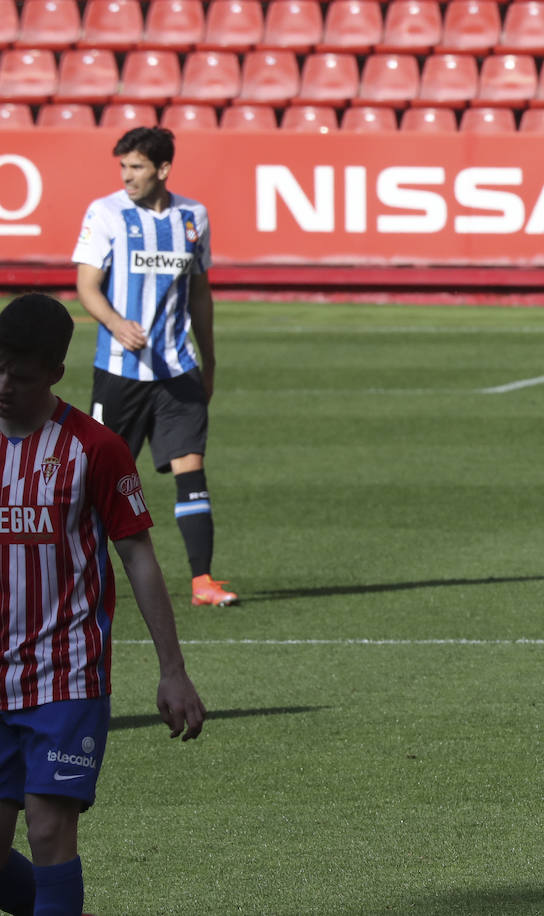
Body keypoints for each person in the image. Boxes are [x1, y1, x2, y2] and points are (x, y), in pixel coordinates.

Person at [0, 293, 206, 916]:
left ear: (56, 373)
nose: (5, 384)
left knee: (47, 830)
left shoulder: (94, 448)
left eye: (22, 375)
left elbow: (137, 555)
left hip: (67, 674)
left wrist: (172, 670)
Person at [71, 126, 237, 608]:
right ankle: (78, 578)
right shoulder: (106, 213)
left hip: (177, 370)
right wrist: (116, 323)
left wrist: (209, 361)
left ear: (163, 169)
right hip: (120, 371)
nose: (127, 177)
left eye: (137, 167)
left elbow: (200, 293)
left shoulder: (193, 217)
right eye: (123, 167)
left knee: (192, 468)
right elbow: (86, 285)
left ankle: (202, 581)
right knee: (94, 480)